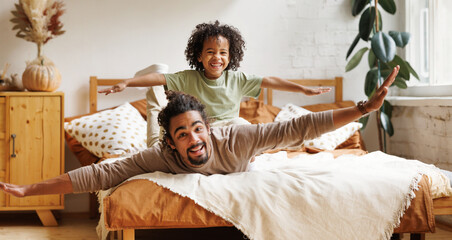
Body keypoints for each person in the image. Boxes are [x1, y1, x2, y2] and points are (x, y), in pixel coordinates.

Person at [0, 66, 401, 197]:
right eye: (182, 135)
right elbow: (102, 174)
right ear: (171, 143)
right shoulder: (162, 157)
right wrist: (26, 191)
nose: (193, 140)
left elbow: (301, 126)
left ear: (208, 128)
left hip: (241, 141)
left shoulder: (240, 138)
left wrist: (363, 108)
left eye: (197, 130)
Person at [98, 20, 331, 147]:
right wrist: (127, 82)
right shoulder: (189, 78)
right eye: (210, 52)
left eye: (222, 53)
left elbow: (270, 80)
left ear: (230, 57)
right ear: (199, 56)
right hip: (196, 129)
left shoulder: (237, 80)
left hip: (223, 130)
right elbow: (159, 79)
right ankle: (152, 94)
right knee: (155, 144)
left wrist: (302, 89)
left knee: (242, 123)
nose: (216, 57)